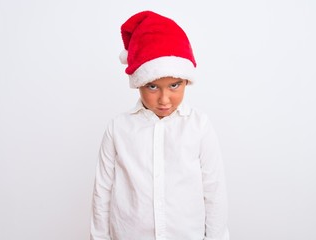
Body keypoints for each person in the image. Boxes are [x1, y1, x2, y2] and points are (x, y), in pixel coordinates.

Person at [90, 10, 229, 240]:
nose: (164, 99)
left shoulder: (199, 126)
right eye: (153, 87)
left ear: (186, 80)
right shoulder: (118, 129)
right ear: (138, 83)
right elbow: (101, 193)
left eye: (174, 85)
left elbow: (214, 192)